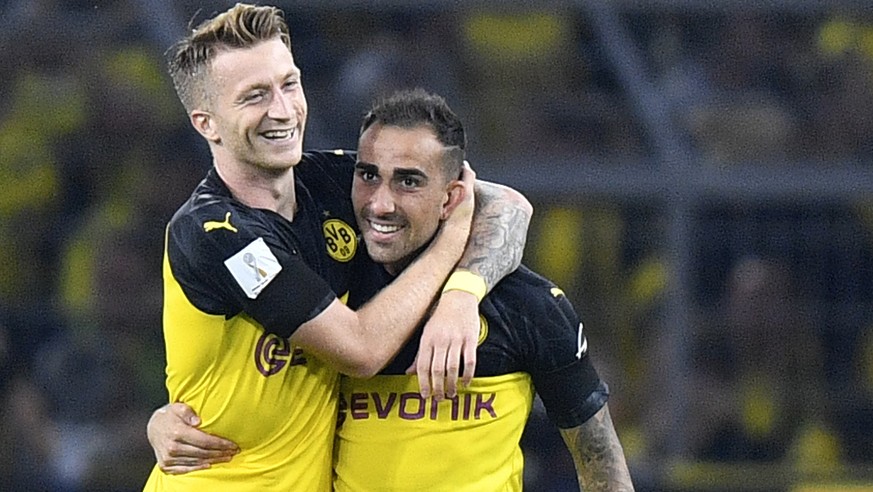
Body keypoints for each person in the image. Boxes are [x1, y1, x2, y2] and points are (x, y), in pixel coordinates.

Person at [148, 89, 635, 491]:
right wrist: (166, 422)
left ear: (453, 197)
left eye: (408, 182)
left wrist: (462, 293)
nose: (381, 204)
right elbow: (252, 384)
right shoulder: (337, 292)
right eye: (367, 176)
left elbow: (599, 460)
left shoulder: (526, 306)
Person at [143, 4, 532, 491]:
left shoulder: (329, 182)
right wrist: (451, 242)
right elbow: (360, 350)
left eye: (289, 84)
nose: (283, 110)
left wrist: (461, 297)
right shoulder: (213, 232)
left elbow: (509, 206)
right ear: (207, 124)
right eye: (254, 97)